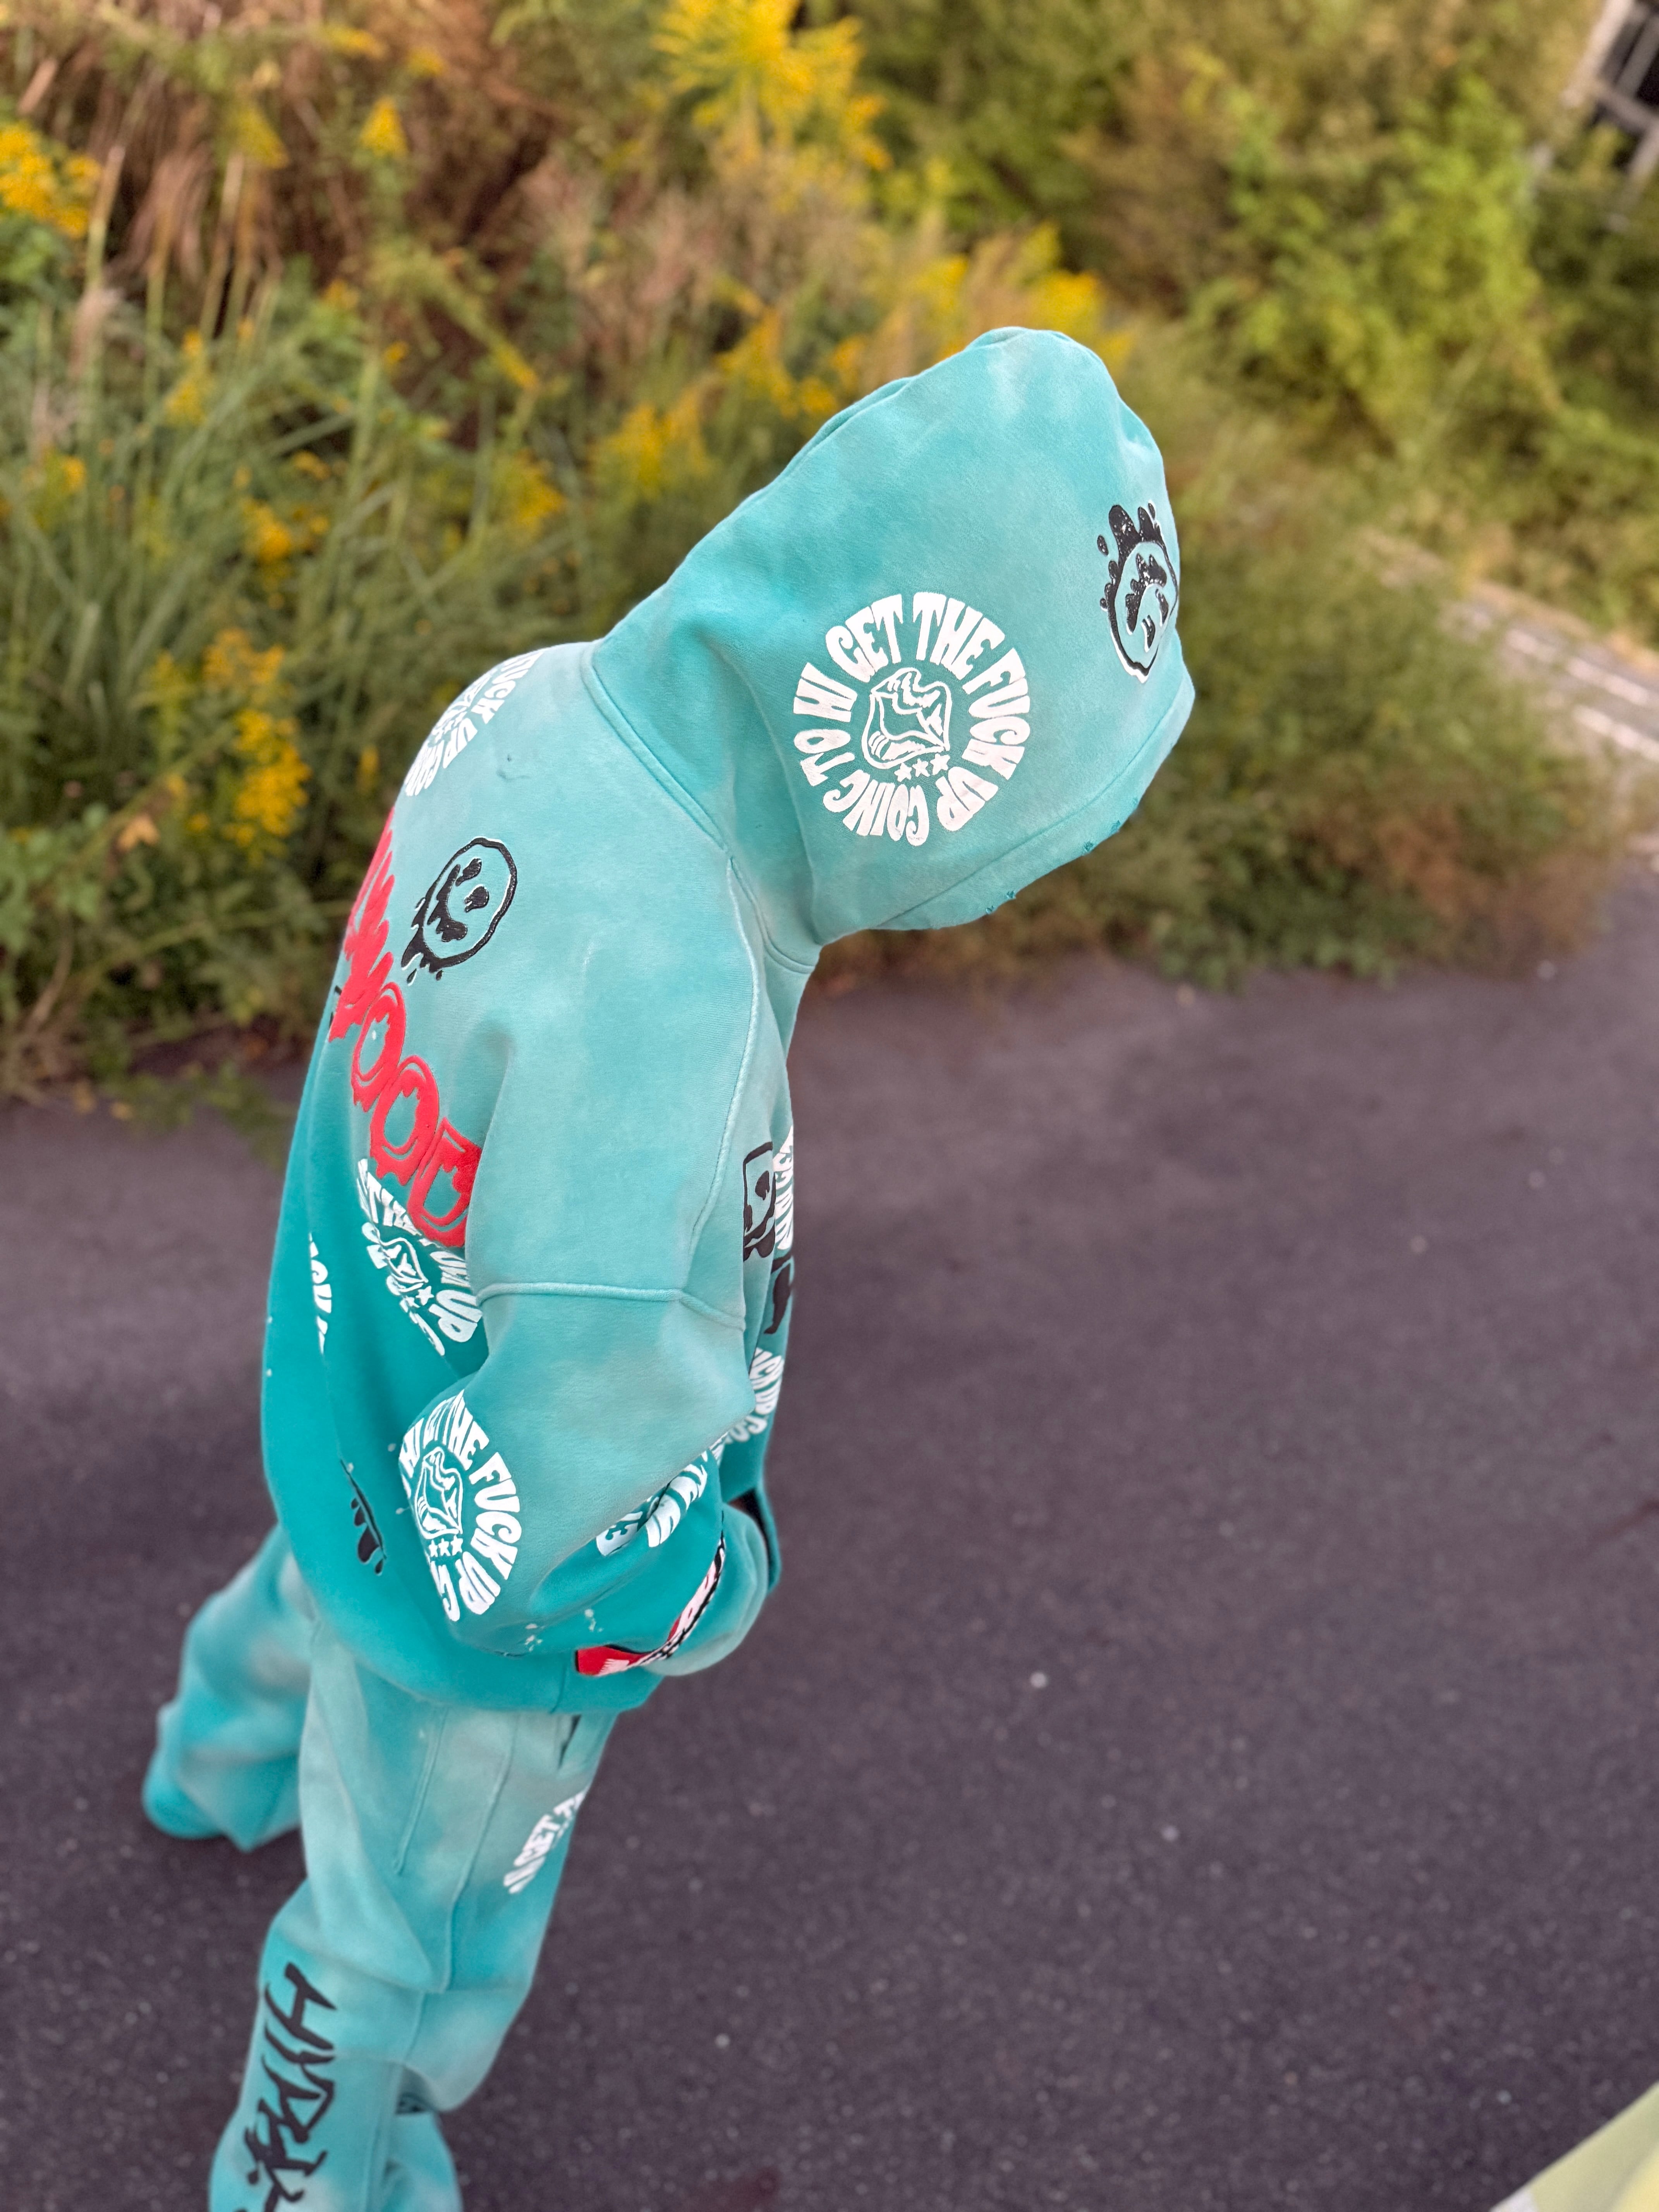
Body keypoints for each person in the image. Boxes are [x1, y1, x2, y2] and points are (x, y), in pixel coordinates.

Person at [141, 325, 1194, 2212]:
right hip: (483, 1615)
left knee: (313, 1575)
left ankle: (208, 1760)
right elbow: (581, 1487)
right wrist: (708, 1583)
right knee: (408, 1929)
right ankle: (310, 2169)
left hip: (353, 1381)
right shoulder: (678, 1046)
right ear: (924, 779)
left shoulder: (532, 699)